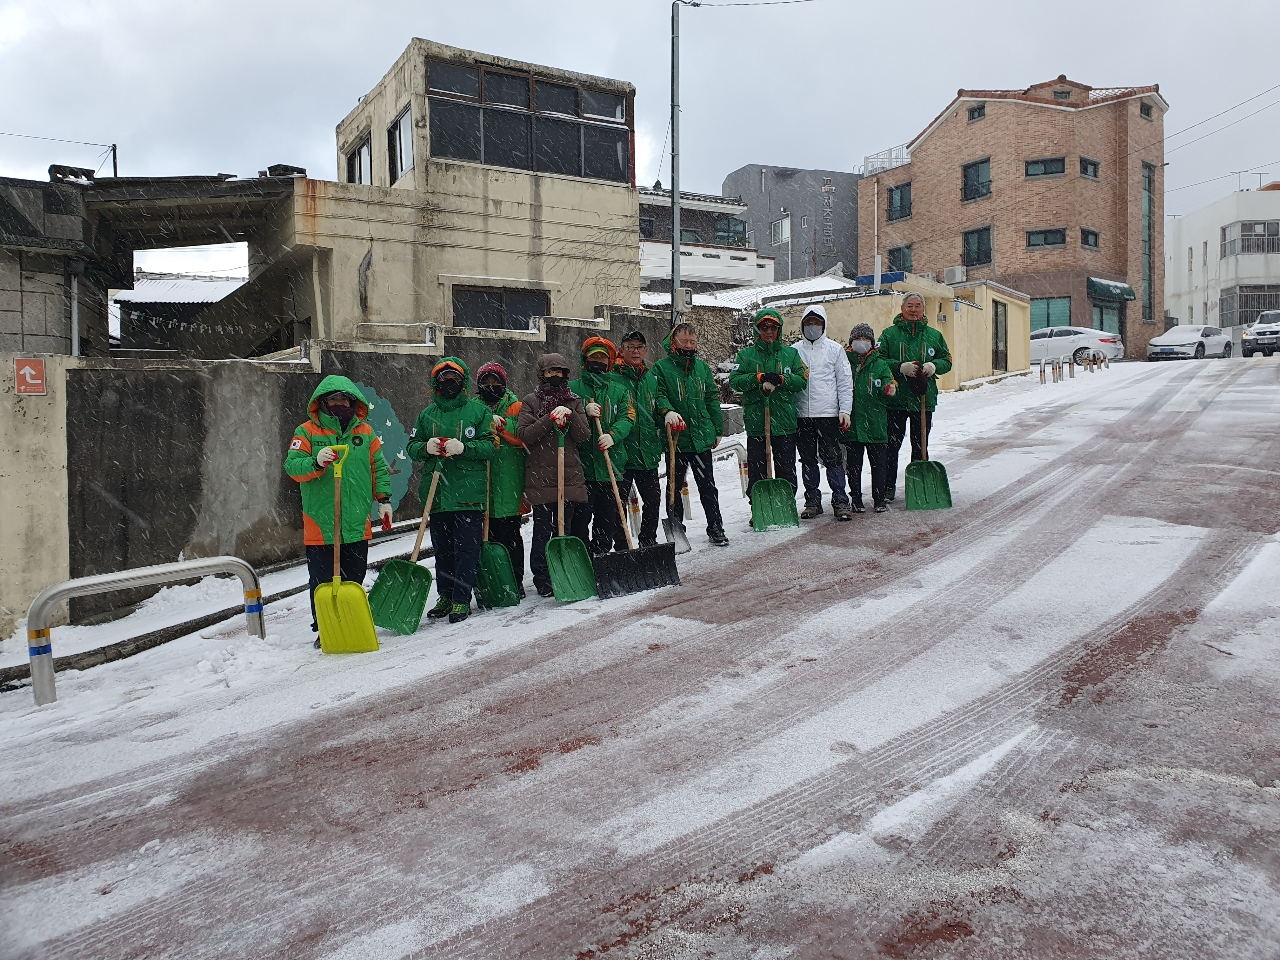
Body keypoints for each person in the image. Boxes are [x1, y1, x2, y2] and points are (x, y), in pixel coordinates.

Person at [283, 376, 391, 645]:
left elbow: (378, 467)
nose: (340, 404)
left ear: (353, 403)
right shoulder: (306, 432)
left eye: (345, 400)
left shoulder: (365, 433)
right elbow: (293, 467)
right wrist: (315, 462)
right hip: (321, 521)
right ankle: (325, 627)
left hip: (356, 518)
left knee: (354, 576)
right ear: (322, 403)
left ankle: (351, 619)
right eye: (334, 400)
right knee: (322, 580)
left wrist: (384, 498)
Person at [406, 358, 497, 623]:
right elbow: (412, 446)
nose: (449, 384)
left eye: (455, 379)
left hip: (468, 493)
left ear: (463, 382)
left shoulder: (478, 412)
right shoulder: (426, 415)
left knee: (466, 550)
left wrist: (465, 448)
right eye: (444, 380)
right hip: (437, 494)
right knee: (442, 549)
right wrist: (425, 447)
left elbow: (490, 447)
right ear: (436, 383)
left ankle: (461, 598)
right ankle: (445, 595)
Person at [517, 354, 592, 597]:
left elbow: (583, 436)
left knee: (565, 528)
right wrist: (549, 419)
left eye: (560, 371)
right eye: (551, 372)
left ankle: (565, 572)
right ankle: (542, 577)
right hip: (541, 476)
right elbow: (526, 434)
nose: (556, 376)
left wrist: (570, 417)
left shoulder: (574, 401)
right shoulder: (530, 401)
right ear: (542, 374)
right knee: (542, 530)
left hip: (567, 475)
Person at [652, 321, 729, 546]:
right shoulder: (661, 368)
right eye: (684, 341)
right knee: (673, 487)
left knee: (708, 486)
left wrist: (717, 428)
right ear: (674, 342)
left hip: (700, 437)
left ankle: (715, 526)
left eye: (692, 342)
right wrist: (668, 412)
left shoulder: (702, 368)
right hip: (676, 438)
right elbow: (659, 395)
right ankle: (676, 527)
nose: (688, 345)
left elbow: (711, 398)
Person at [728, 308, 808, 504]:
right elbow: (735, 381)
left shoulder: (791, 354)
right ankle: (759, 505)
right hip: (757, 421)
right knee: (757, 469)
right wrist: (758, 378)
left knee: (786, 467)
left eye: (773, 327)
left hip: (784, 421)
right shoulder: (746, 356)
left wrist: (782, 379)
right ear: (757, 330)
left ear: (779, 330)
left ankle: (786, 504)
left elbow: (802, 380)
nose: (769, 331)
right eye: (764, 327)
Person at [879, 292, 953, 502]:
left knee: (920, 445)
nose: (913, 310)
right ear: (902, 309)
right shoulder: (889, 335)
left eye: (917, 306)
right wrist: (899, 367)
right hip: (896, 400)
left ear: (923, 309)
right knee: (892, 446)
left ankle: (919, 487)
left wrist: (933, 365)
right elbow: (880, 360)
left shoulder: (934, 336)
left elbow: (946, 360)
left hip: (923, 400)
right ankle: (887, 487)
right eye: (909, 306)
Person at [568, 337, 635, 555]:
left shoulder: (620, 390)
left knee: (607, 519)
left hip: (611, 467)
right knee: (580, 519)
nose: (598, 362)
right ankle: (584, 559)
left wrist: (613, 436)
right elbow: (565, 422)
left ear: (609, 363)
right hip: (582, 469)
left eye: (602, 358)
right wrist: (582, 413)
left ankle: (602, 555)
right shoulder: (573, 390)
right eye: (593, 357)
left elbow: (628, 417)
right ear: (584, 360)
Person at [793, 304, 855, 520]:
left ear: (824, 325)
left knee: (833, 459)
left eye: (816, 323)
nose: (812, 327)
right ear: (802, 325)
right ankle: (812, 500)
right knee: (808, 460)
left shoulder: (834, 350)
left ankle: (840, 499)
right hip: (803, 415)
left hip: (828, 414)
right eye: (808, 323)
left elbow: (845, 382)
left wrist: (845, 409)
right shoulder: (794, 351)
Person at [476, 362, 527, 596]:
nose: (490, 387)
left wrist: (503, 426)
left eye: (495, 382)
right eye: (485, 383)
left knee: (511, 536)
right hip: (481, 486)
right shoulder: (472, 408)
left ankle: (515, 581)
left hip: (509, 483)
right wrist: (486, 423)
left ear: (504, 384)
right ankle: (491, 582)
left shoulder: (517, 406)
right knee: (485, 539)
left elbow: (525, 433)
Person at [614, 330, 664, 549]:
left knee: (653, 500)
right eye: (630, 347)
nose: (635, 352)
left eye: (639, 347)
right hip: (622, 453)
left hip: (647, 452)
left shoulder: (651, 380)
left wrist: (667, 416)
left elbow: (659, 406)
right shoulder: (613, 379)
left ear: (645, 351)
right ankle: (623, 544)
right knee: (618, 503)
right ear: (622, 350)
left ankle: (648, 540)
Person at [840, 323, 898, 513]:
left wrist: (889, 388)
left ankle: (879, 498)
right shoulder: (844, 363)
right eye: (858, 339)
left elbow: (889, 380)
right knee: (854, 465)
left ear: (872, 344)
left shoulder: (880, 364)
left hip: (876, 423)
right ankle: (856, 498)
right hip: (852, 424)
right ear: (851, 342)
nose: (862, 343)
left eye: (866, 339)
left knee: (879, 465)